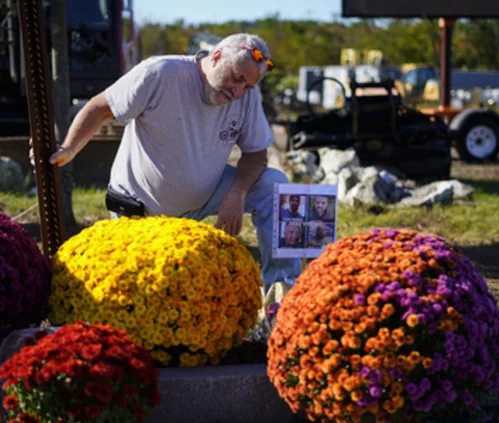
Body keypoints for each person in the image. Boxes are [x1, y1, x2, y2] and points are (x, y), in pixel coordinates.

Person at [30, 33, 300, 292]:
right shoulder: (161, 73)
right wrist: (68, 148)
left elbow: (256, 154)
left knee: (277, 188)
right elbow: (100, 107)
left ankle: (284, 291)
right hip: (139, 207)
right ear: (217, 56)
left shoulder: (246, 97)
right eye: (237, 78)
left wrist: (237, 193)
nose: (238, 90)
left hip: (203, 199)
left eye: (248, 86)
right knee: (145, 290)